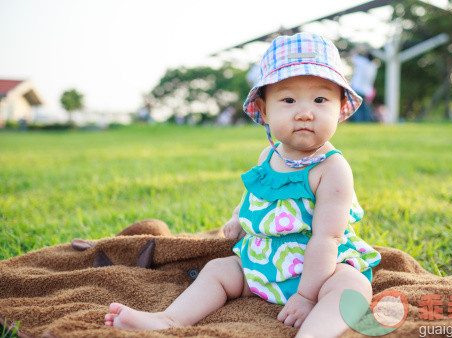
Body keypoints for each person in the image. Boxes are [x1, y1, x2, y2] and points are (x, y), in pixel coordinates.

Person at [104, 33, 381, 337]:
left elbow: (328, 237)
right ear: (264, 111)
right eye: (288, 100)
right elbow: (256, 195)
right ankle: (168, 319)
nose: (305, 112)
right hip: (263, 265)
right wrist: (238, 217)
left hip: (320, 270)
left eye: (320, 100)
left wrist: (307, 295)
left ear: (339, 107)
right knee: (219, 271)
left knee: (352, 287)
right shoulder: (269, 156)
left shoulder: (332, 168)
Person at [349, 51, 378, 122]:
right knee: (364, 107)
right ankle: (367, 121)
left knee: (356, 107)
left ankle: (357, 121)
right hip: (366, 90)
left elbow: (352, 56)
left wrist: (358, 49)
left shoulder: (362, 62)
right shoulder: (373, 67)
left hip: (357, 88)